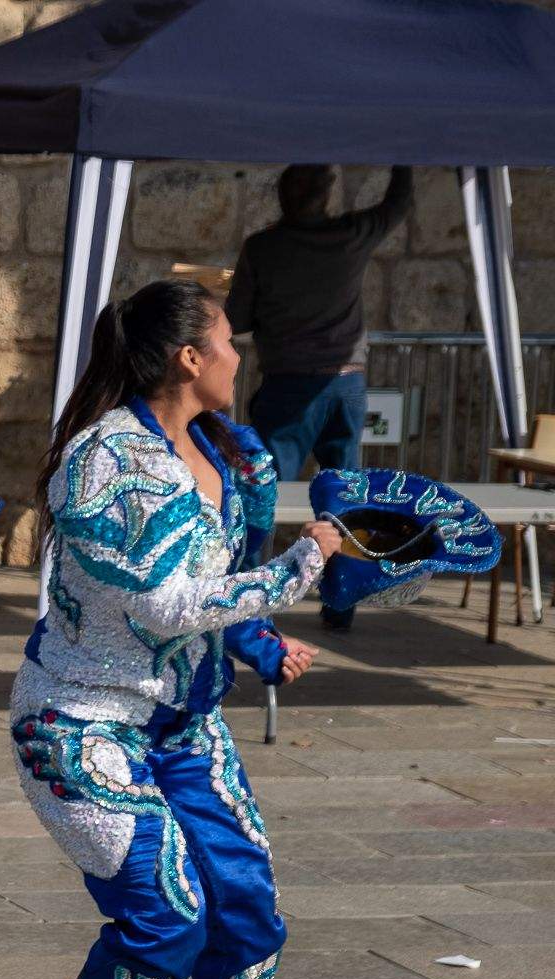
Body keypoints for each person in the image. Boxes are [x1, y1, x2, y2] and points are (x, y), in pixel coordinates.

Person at [14, 278, 341, 979]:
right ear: (189, 358)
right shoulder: (107, 461)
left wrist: (262, 640)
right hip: (80, 719)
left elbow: (211, 585)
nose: (242, 353)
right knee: (166, 913)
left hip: (181, 724)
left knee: (246, 908)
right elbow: (164, 602)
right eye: (228, 339)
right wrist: (299, 567)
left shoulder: (225, 454)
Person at [227, 164, 411, 631]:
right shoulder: (351, 234)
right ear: (327, 194)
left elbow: (238, 318)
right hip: (347, 385)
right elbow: (398, 205)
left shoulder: (263, 248)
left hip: (289, 386)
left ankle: (251, 604)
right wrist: (403, 156)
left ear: (282, 197)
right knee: (345, 499)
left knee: (262, 495)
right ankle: (340, 604)